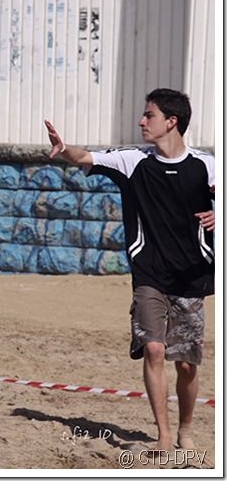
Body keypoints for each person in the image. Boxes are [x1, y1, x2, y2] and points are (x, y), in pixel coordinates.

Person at [44, 88, 215, 454]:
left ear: (171, 122)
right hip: (148, 275)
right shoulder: (131, 160)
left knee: (185, 366)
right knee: (154, 348)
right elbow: (84, 156)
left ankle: (186, 428)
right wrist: (65, 150)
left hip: (191, 276)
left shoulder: (207, 165)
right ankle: (164, 437)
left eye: (148, 115)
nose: (141, 121)